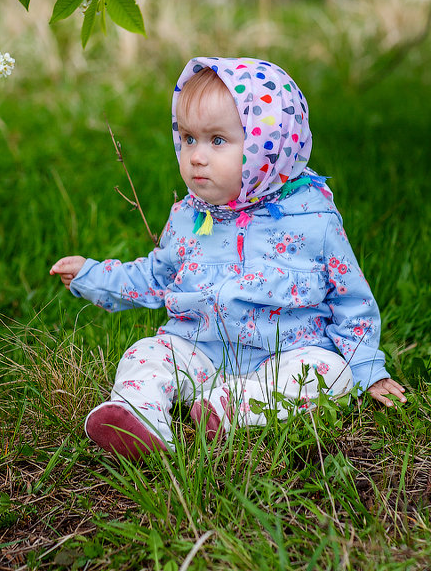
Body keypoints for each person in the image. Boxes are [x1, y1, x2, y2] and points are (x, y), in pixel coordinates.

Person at [50, 57, 406, 459]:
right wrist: (92, 276)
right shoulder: (188, 216)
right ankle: (139, 415)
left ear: (267, 146)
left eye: (217, 140)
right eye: (188, 139)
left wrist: (367, 369)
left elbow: (349, 298)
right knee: (146, 353)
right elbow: (155, 276)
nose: (196, 156)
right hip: (199, 350)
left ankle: (228, 409)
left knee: (330, 374)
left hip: (287, 354)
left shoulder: (313, 218)